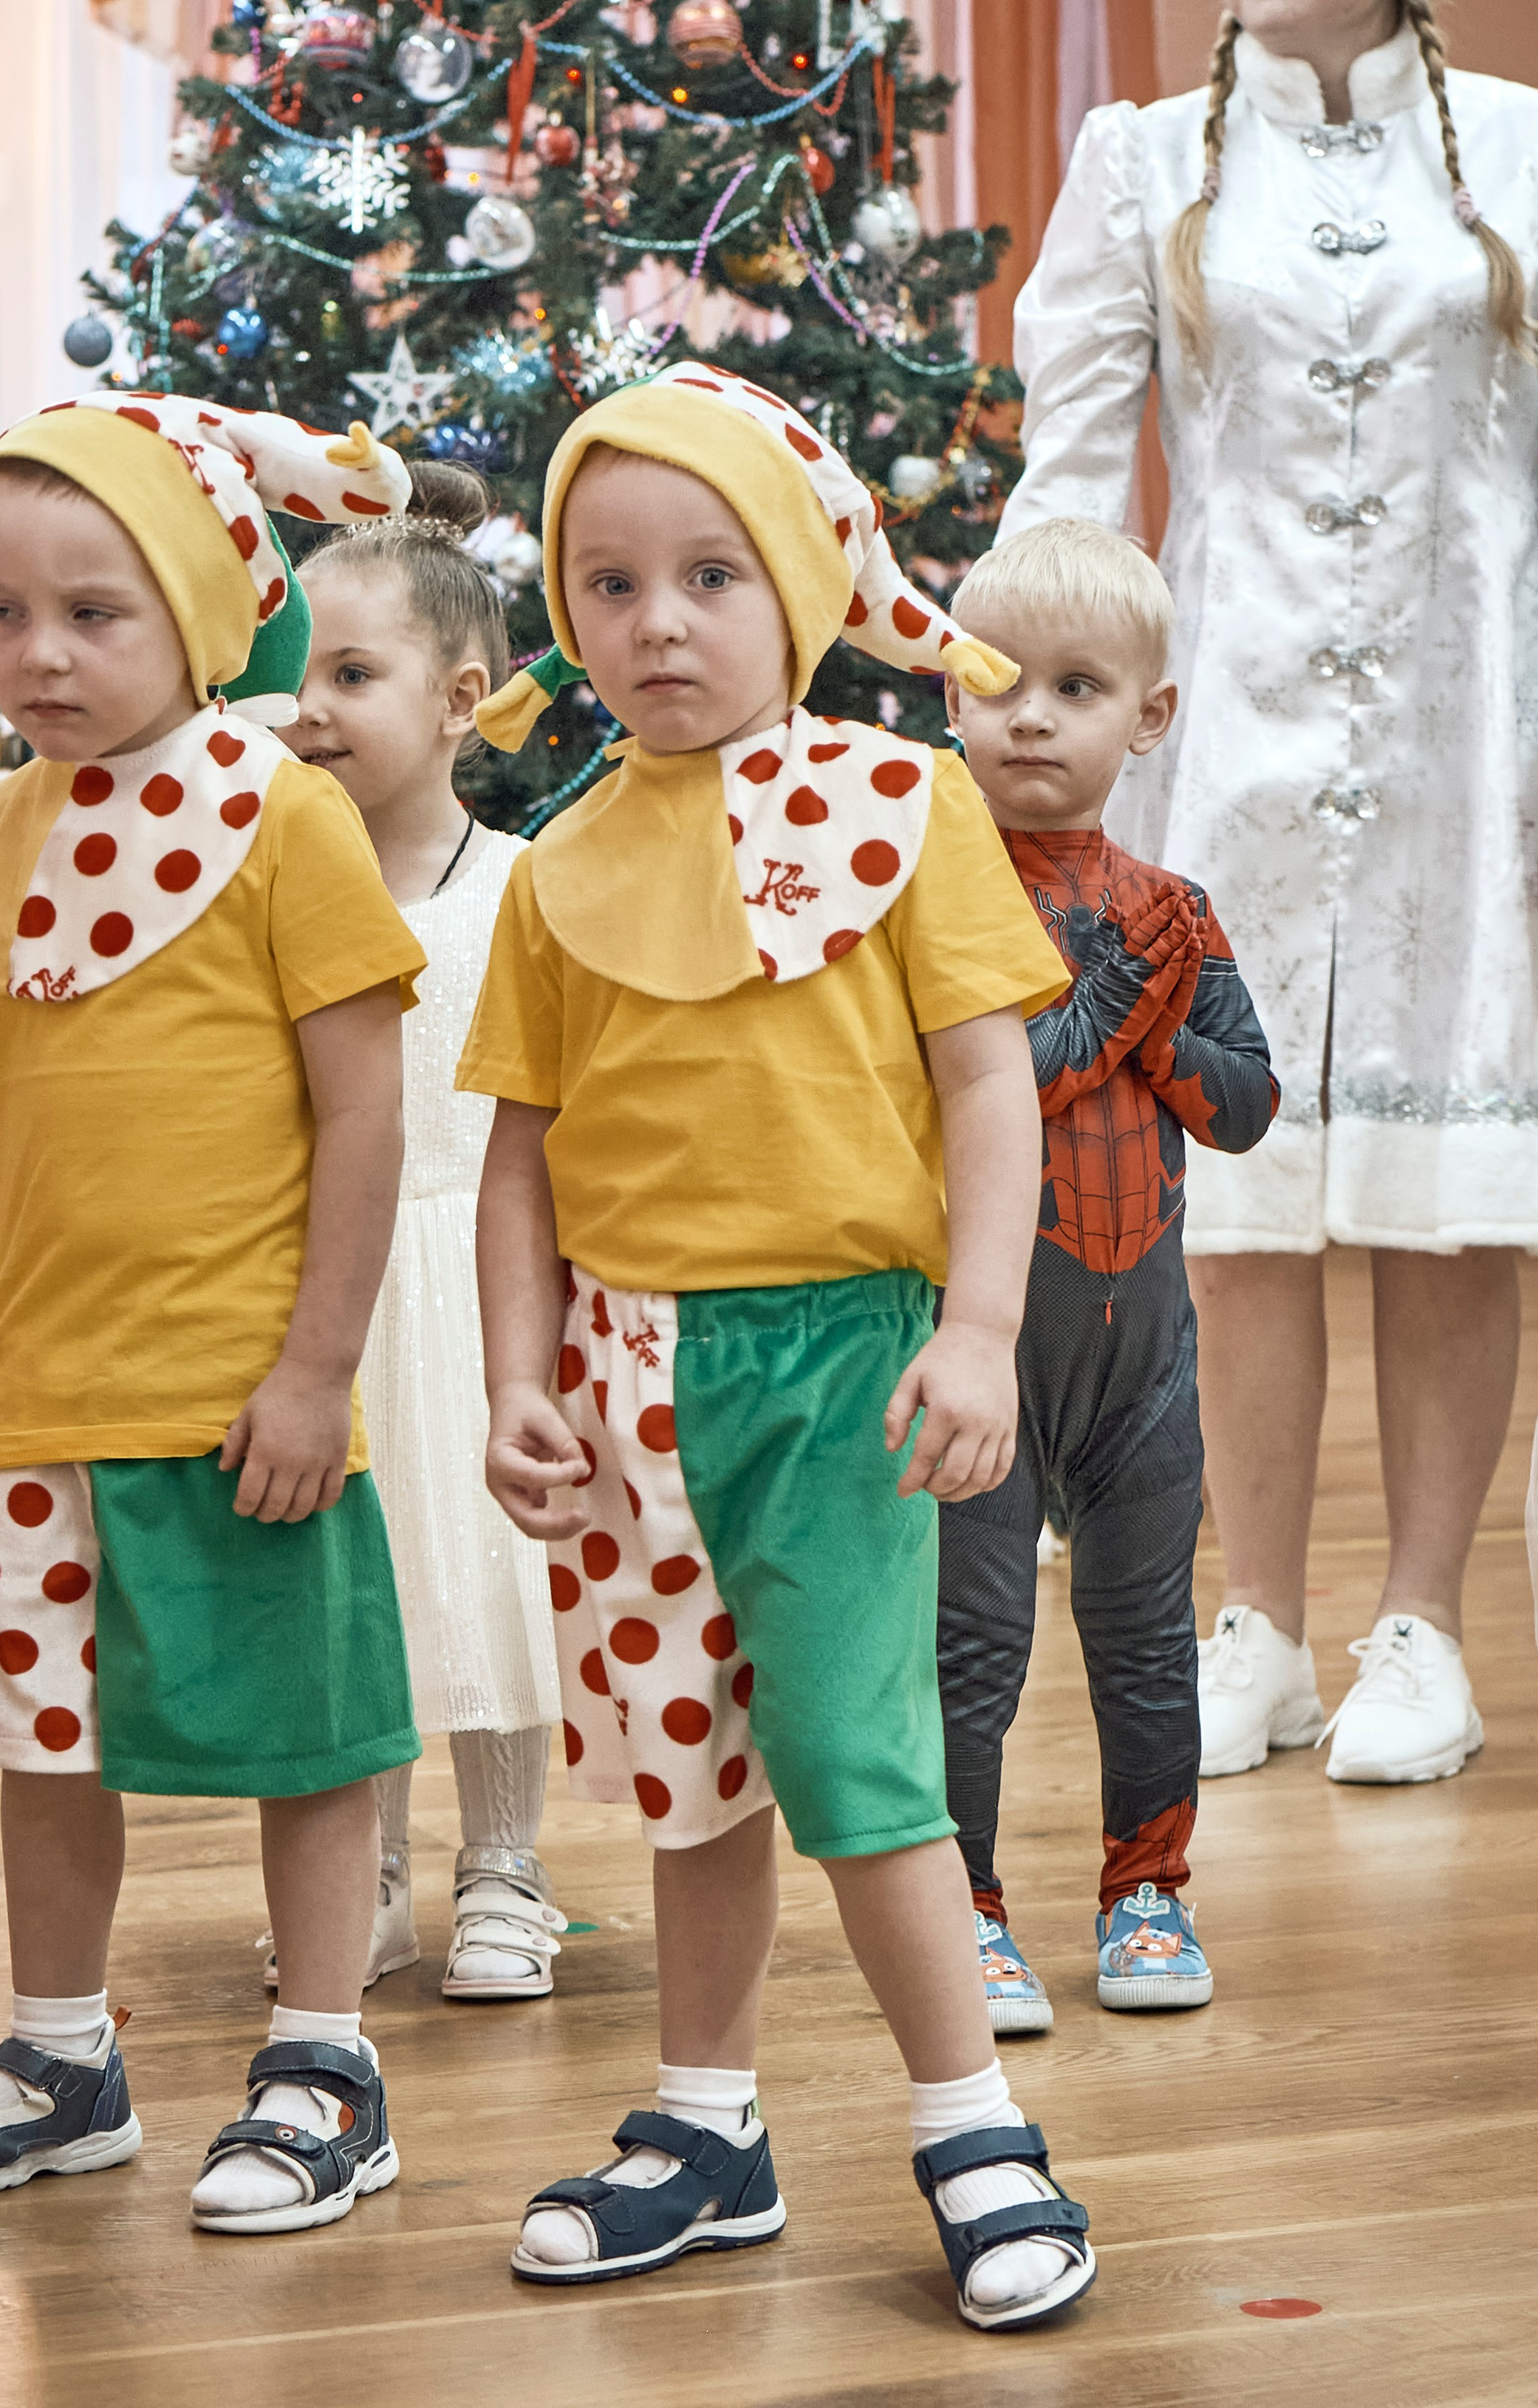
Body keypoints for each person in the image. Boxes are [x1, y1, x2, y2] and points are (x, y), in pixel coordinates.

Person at [457, 360, 1098, 2336]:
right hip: (629, 1371)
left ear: (805, 588)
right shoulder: (559, 866)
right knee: (690, 1774)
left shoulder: (906, 805)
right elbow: (521, 1159)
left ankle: (973, 2118)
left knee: (854, 1757)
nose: (659, 622)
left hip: (839, 1363)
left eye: (713, 575)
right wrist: (515, 1379)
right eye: (612, 584)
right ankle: (707, 2124)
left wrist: (979, 1330)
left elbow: (991, 1088)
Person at [998, 0, 1538, 1787]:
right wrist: (1036, 722)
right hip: (1217, 735)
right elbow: (1072, 473)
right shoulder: (1146, 163)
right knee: (1231, 1202)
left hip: (1472, 741)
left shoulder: (1528, 155)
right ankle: (1256, 1619)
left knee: (1442, 1195)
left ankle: (1423, 1626)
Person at [0, 392, 430, 2240]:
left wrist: (313, 1370)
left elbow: (363, 1100)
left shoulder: (285, 819)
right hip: (42, 1398)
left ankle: (323, 2059)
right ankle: (60, 2057)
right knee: (48, 1739)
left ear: (196, 611)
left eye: (93, 613)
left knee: (308, 1729)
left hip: (238, 1398)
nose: (39, 653)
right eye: (2, 610)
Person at [937, 521, 1277, 2034]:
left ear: (1145, 715)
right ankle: (965, 1910)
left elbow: (1246, 1105)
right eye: (997, 681)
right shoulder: (927, 900)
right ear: (948, 694)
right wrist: (1118, 1014)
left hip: (1144, 1343)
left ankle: (1147, 1892)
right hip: (980, 1339)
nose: (1026, 714)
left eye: (1071, 687)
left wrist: (1141, 1022)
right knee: (973, 1640)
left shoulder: (1174, 906)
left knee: (1145, 1639)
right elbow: (983, 1089)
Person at [267, 465, 565, 2004]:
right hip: (336, 1290)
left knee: (500, 1583)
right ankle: (364, 1874)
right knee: (356, 1585)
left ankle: (503, 1863)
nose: (305, 709)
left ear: (460, 699)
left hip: (481, 1281)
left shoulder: (523, 891)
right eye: (295, 674)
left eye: (351, 675)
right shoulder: (266, 889)